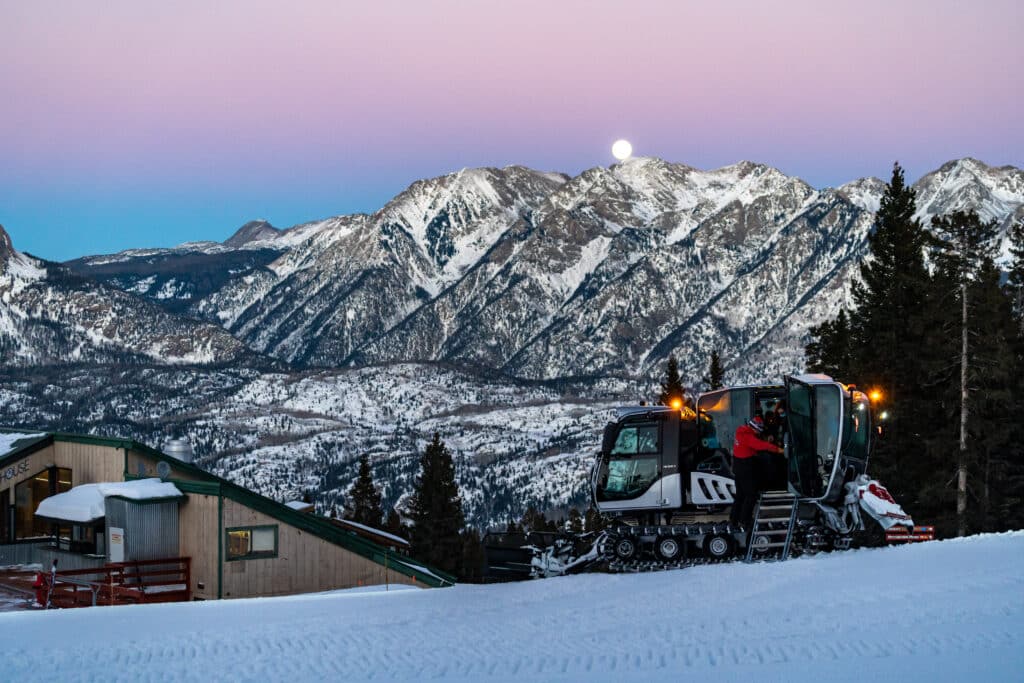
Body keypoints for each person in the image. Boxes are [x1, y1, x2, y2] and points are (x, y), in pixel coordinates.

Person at [730, 415, 784, 527]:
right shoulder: (747, 436)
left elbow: (753, 444)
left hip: (738, 468)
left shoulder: (742, 431)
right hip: (745, 469)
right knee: (751, 495)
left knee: (740, 495)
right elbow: (760, 445)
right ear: (755, 428)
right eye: (758, 431)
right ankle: (745, 520)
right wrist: (778, 449)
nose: (758, 433)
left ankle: (734, 519)